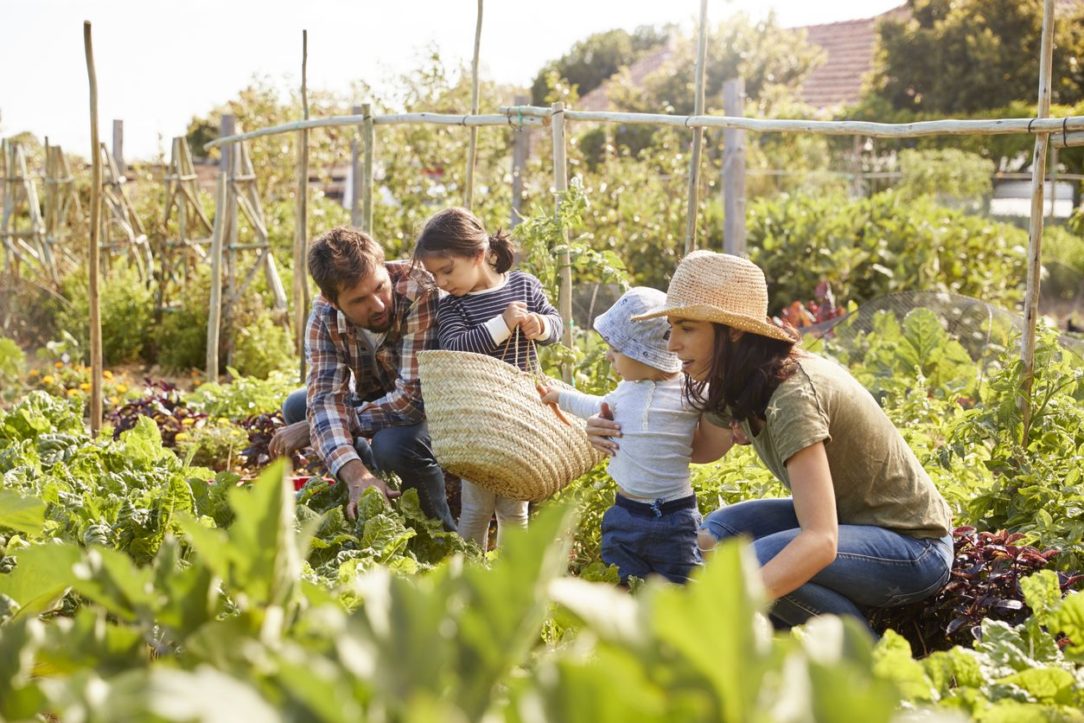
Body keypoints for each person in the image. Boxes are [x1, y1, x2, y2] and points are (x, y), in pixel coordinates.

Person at [590, 250, 954, 628]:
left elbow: (820, 541)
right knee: (719, 536)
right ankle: (799, 629)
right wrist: (617, 427)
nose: (671, 345)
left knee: (754, 565)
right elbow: (700, 449)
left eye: (687, 328)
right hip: (853, 524)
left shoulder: (792, 397)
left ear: (732, 331)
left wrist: (719, 613)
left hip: (914, 547)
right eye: (672, 329)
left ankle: (864, 660)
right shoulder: (739, 381)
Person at [268, 226, 456, 531]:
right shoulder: (323, 318)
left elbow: (411, 402)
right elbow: (325, 398)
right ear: (332, 300)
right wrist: (356, 473)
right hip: (381, 399)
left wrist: (327, 424)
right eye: (359, 300)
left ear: (385, 269)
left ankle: (441, 534)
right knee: (299, 405)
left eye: (380, 287)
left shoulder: (418, 291)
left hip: (432, 408)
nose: (379, 305)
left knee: (393, 444)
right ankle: (371, 497)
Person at [413, 207, 562, 549]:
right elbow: (454, 347)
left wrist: (540, 326)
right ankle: (468, 579)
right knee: (476, 507)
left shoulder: (523, 285)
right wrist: (502, 324)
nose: (442, 283)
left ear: (478, 254)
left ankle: (512, 579)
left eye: (447, 271)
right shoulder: (453, 307)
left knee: (514, 506)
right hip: (477, 421)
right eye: (435, 275)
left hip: (519, 414)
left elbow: (557, 325)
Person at [542, 287, 702, 584]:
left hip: (676, 517)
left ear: (643, 354)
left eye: (616, 350)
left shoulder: (690, 392)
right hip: (625, 512)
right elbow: (592, 403)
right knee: (620, 580)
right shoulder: (623, 392)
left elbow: (722, 402)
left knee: (682, 583)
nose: (608, 356)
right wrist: (558, 396)